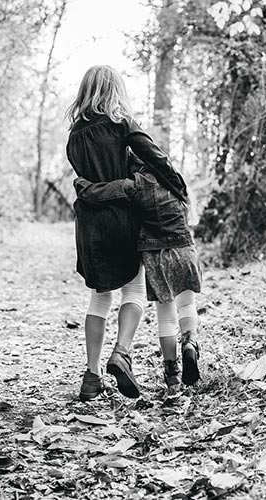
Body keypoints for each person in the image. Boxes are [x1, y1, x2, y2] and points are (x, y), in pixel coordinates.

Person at [66, 65, 188, 401]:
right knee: (133, 290)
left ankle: (92, 376)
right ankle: (121, 353)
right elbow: (154, 156)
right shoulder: (122, 125)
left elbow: (82, 178)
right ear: (113, 91)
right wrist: (177, 186)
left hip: (89, 225)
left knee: (99, 296)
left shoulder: (75, 134)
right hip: (122, 218)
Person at [74, 158, 201, 396]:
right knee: (187, 306)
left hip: (158, 259)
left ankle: (172, 374)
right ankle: (190, 343)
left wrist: (85, 187)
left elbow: (111, 191)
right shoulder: (177, 184)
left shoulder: (140, 184)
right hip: (186, 252)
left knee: (165, 316)